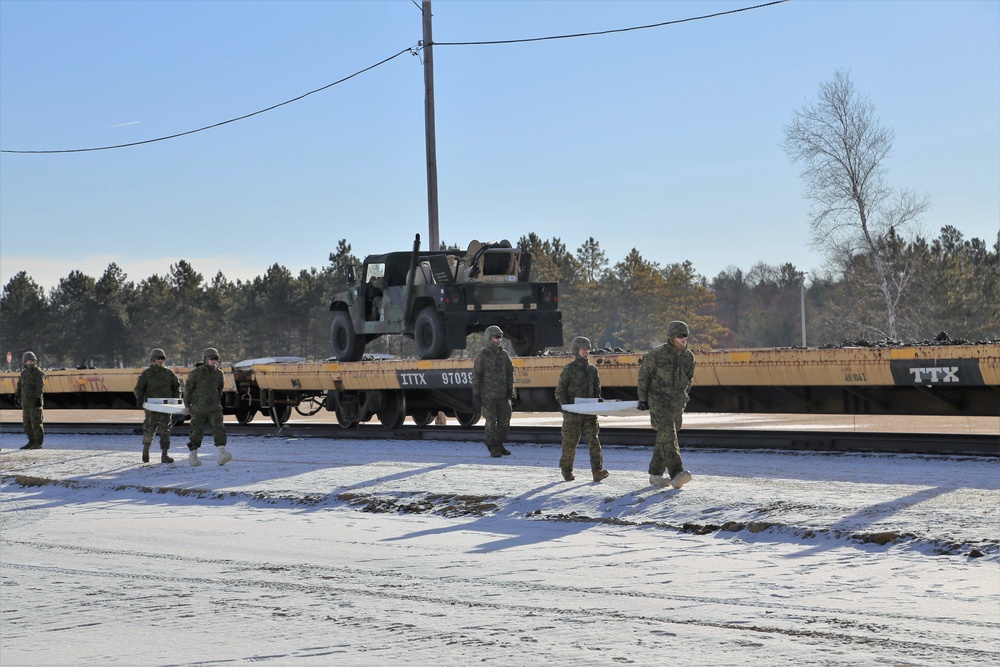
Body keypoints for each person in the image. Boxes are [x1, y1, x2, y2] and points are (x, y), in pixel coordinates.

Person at [637, 321, 696, 489]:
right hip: (658, 401)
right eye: (679, 336)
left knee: (666, 436)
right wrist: (643, 399)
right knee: (669, 435)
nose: (683, 339)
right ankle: (677, 473)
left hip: (676, 403)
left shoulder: (688, 357)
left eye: (685, 336)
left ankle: (655, 475)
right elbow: (644, 376)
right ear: (671, 337)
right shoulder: (656, 354)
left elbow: (689, 379)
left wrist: (683, 396)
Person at [555, 336, 609, 482]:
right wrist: (566, 408)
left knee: (594, 441)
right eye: (583, 349)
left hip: (589, 413)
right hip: (573, 414)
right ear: (576, 350)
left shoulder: (592, 370)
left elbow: (597, 391)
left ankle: (597, 471)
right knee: (570, 442)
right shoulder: (569, 369)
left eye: (588, 349)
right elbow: (560, 390)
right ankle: (566, 471)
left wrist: (599, 405)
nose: (586, 352)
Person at [184, 347, 232, 467]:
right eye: (211, 358)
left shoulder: (218, 373)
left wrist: (216, 402)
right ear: (205, 359)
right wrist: (187, 406)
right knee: (197, 431)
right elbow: (188, 390)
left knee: (219, 429)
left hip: (214, 408)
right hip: (199, 408)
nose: (213, 360)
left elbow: (220, 389)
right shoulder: (196, 373)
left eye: (216, 358)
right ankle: (193, 456)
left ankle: (222, 454)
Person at [471, 325, 514, 458]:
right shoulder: (482, 356)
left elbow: (510, 372)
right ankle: (492, 446)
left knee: (505, 421)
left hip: (502, 395)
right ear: (489, 338)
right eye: (496, 337)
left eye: (500, 337)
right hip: (488, 396)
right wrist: (476, 394)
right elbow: (476, 376)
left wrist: (510, 390)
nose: (499, 339)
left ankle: (499, 444)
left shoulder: (504, 355)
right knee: (491, 421)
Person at [134, 347, 181, 464]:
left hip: (166, 406)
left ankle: (164, 455)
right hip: (152, 406)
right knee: (149, 429)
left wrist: (176, 402)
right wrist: (139, 398)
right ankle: (146, 451)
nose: (160, 360)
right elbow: (139, 388)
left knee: (166, 430)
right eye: (158, 358)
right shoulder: (147, 374)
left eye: (162, 358)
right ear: (153, 359)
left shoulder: (169, 373)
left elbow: (176, 387)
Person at [14, 351, 45, 450]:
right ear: (25, 362)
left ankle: (37, 443)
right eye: (28, 361)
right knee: (27, 424)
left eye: (32, 361)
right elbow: (20, 386)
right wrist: (16, 397)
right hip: (26, 403)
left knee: (36, 424)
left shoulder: (38, 373)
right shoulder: (24, 373)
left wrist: (38, 398)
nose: (30, 362)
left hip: (35, 403)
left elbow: (40, 387)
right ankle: (31, 441)